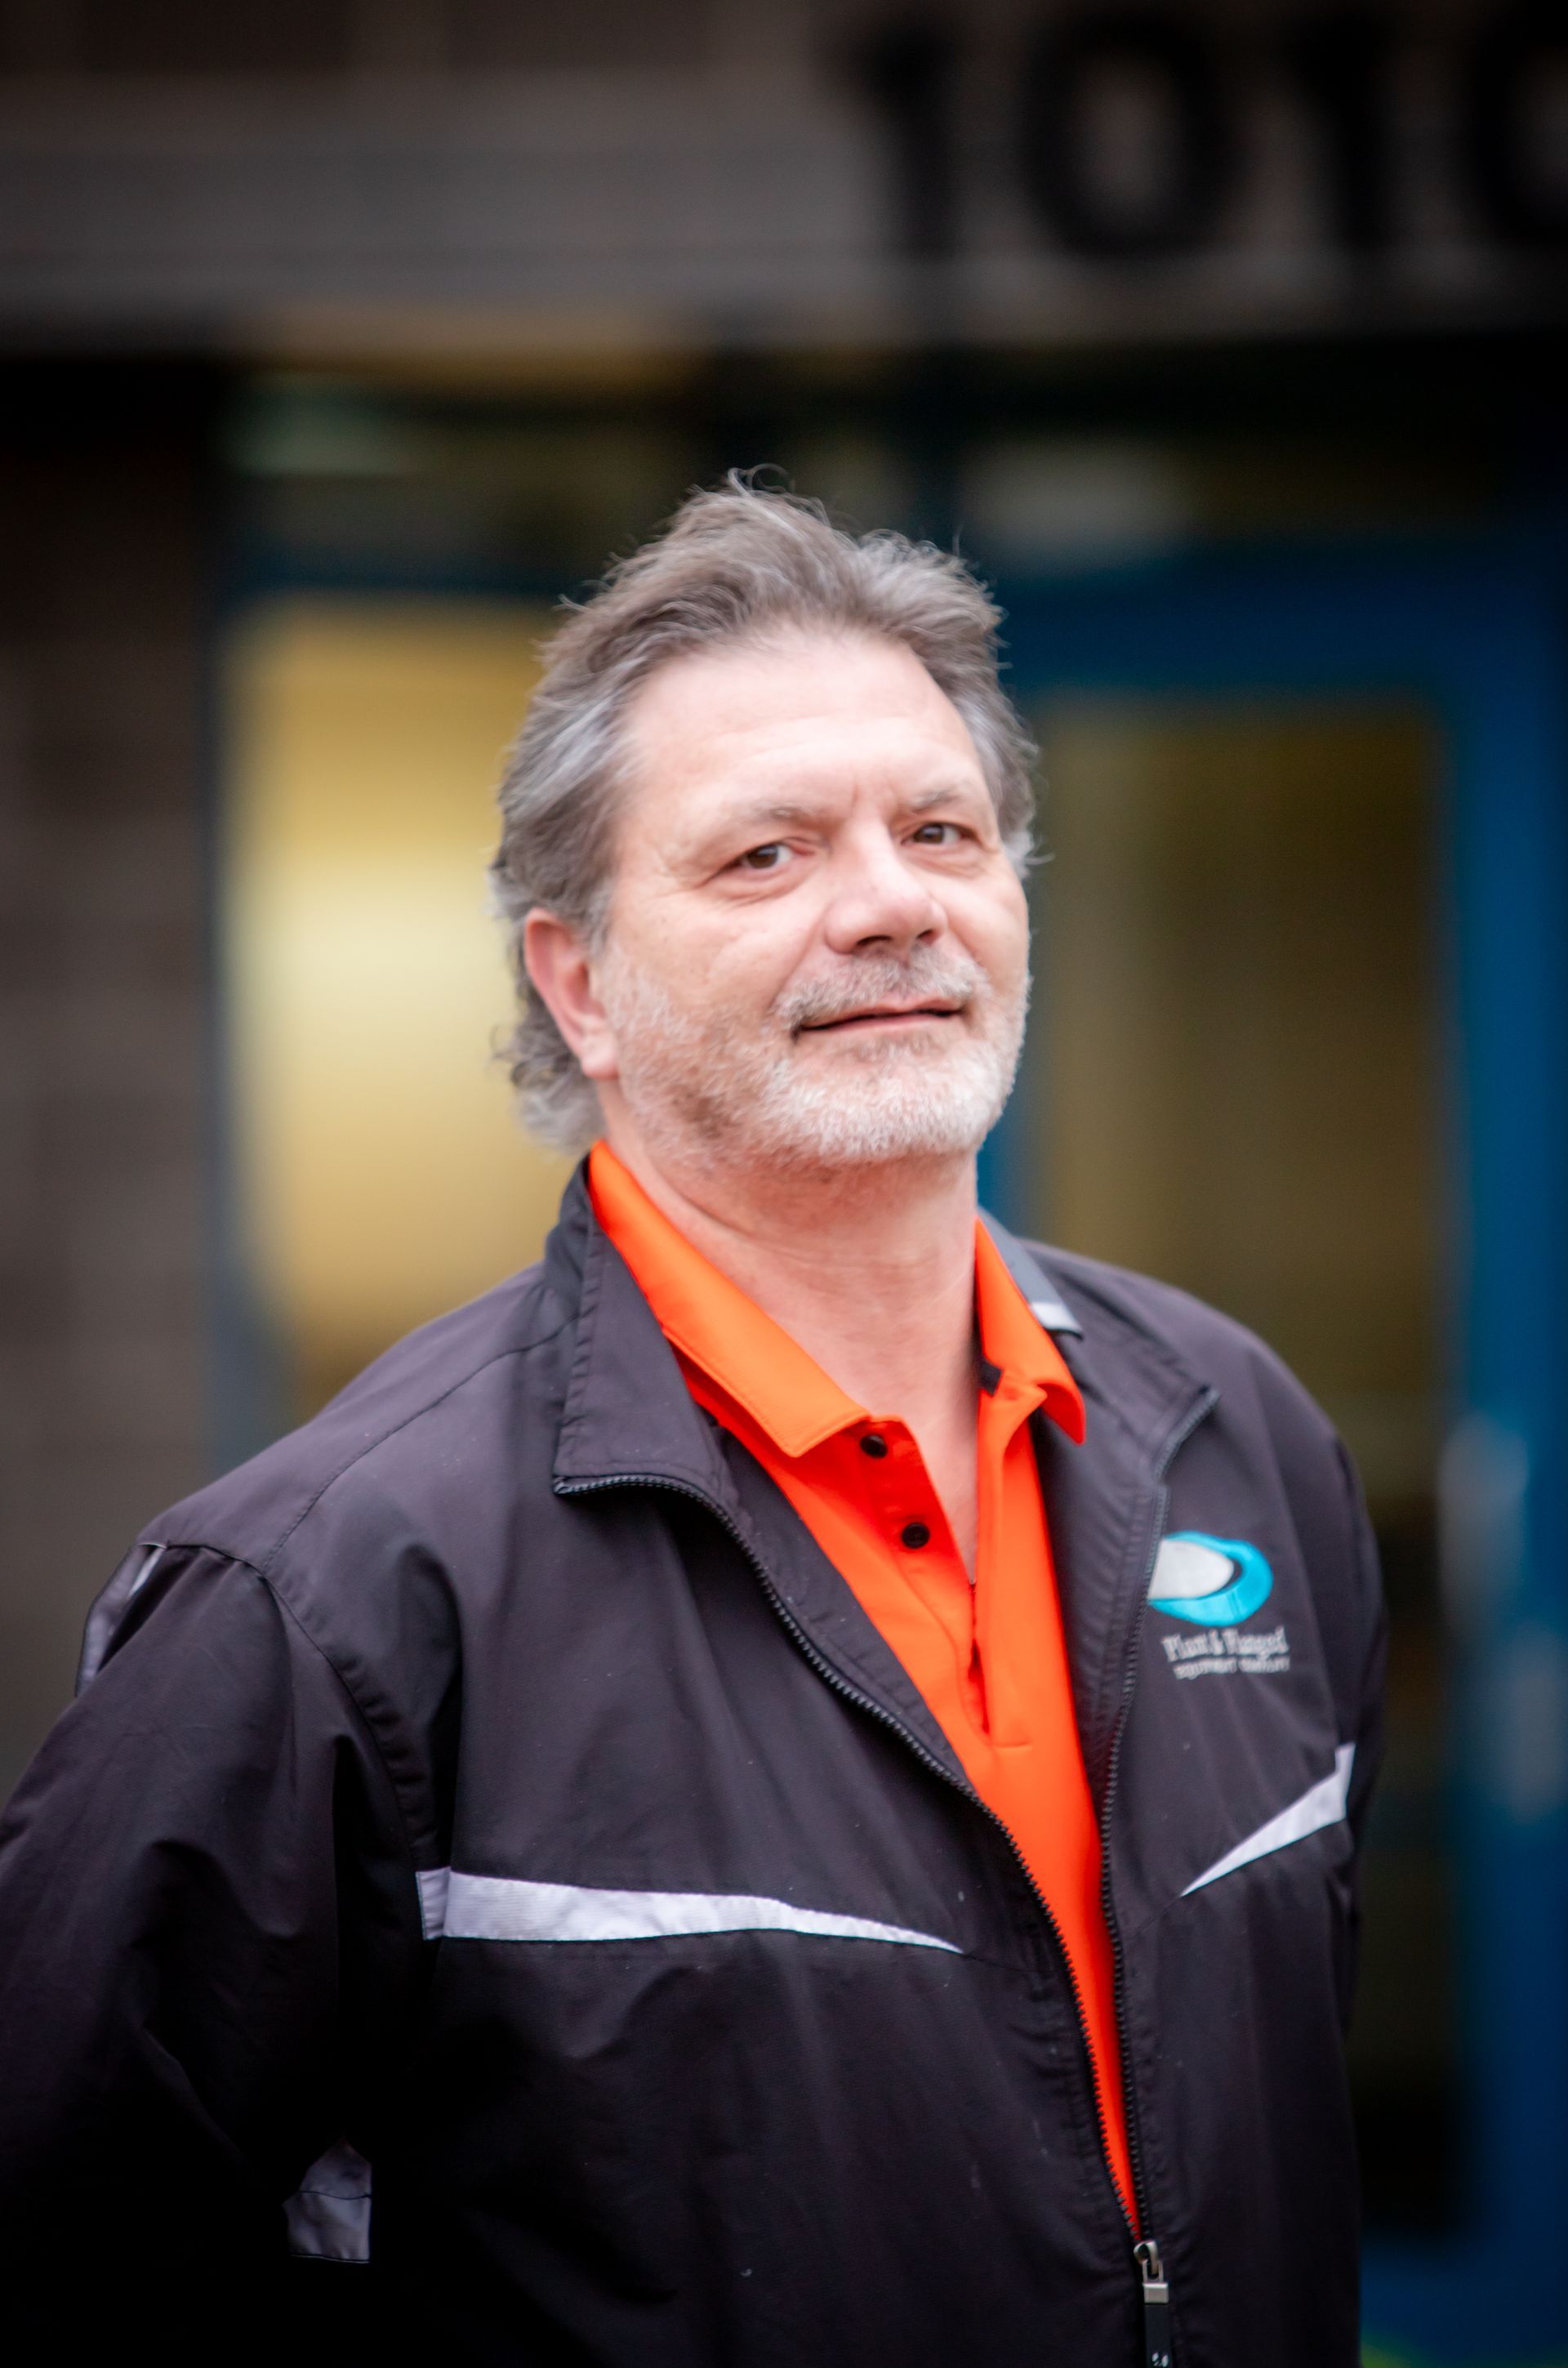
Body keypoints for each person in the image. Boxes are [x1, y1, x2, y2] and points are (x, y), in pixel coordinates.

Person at [0, 483, 1384, 2367]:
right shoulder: (320, 1599)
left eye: (941, 830)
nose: (890, 900)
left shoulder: (1240, 1439)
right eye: (765, 856)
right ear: (581, 985)